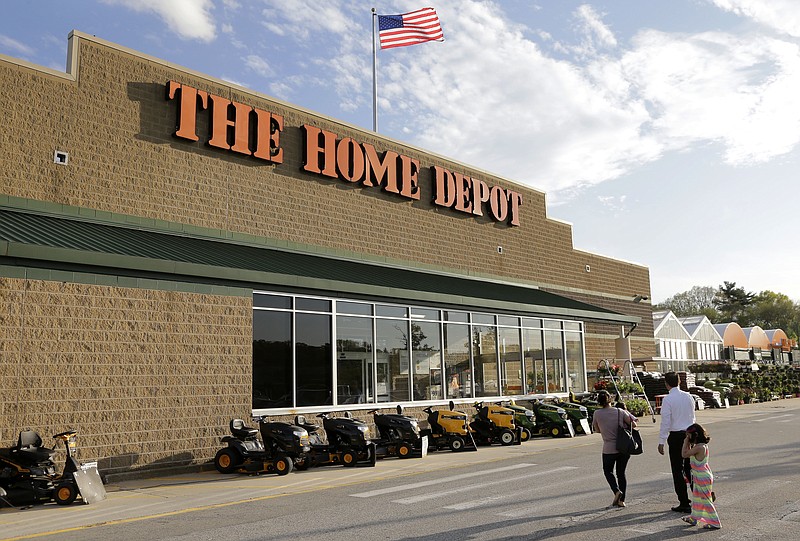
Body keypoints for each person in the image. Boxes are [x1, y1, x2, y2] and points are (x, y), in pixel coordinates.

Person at [591, 390, 638, 508]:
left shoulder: (597, 413)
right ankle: (622, 500)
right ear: (610, 399)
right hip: (623, 447)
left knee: (608, 471)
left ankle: (616, 490)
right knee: (621, 473)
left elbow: (596, 430)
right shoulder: (620, 411)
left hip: (608, 448)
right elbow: (634, 425)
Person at [658, 371, 696, 513]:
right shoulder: (688, 396)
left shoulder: (668, 400)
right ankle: (699, 497)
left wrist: (661, 440)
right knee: (690, 468)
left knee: (677, 470)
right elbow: (693, 417)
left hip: (676, 436)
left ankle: (684, 501)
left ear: (666, 384)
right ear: (679, 382)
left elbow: (666, 422)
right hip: (689, 434)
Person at [681, 423, 721, 529]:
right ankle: (695, 518)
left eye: (688, 435)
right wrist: (688, 442)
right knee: (697, 498)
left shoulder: (699, 447)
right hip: (700, 476)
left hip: (703, 477)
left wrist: (685, 442)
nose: (687, 437)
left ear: (695, 435)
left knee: (705, 500)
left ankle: (715, 522)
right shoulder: (700, 446)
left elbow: (684, 454)